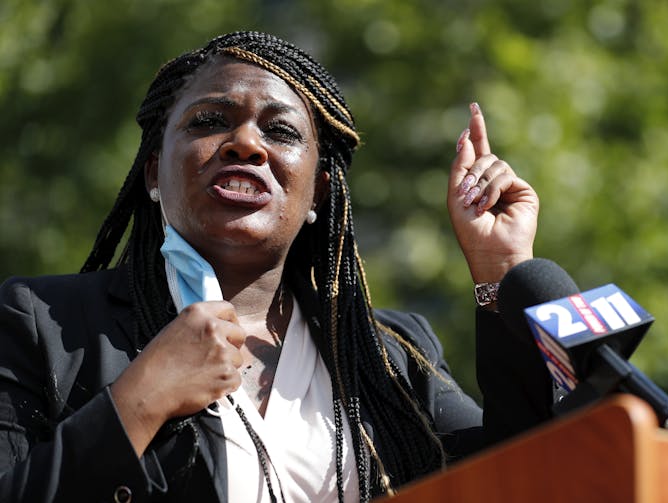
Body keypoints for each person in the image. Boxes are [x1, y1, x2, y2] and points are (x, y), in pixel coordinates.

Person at [0, 31, 553, 502]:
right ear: (151, 172)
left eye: (281, 131)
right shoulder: (42, 323)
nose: (245, 143)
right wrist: (140, 400)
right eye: (210, 121)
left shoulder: (392, 356)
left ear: (318, 191)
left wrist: (501, 270)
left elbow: (522, 477)